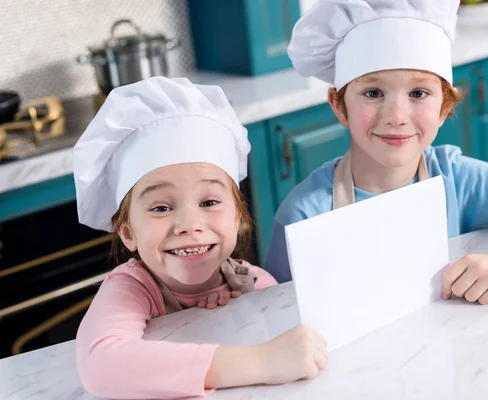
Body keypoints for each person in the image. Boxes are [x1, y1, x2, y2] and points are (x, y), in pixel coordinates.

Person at [265, 0, 488, 305]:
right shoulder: (303, 216)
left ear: (444, 107)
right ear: (339, 106)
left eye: (419, 92)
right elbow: (275, 312)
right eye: (372, 92)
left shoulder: (457, 178)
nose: (396, 116)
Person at [74, 77, 328, 399]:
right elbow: (101, 365)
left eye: (209, 202)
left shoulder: (253, 282)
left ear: (236, 217)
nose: (189, 225)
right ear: (128, 233)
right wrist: (260, 361)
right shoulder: (132, 288)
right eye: (162, 207)